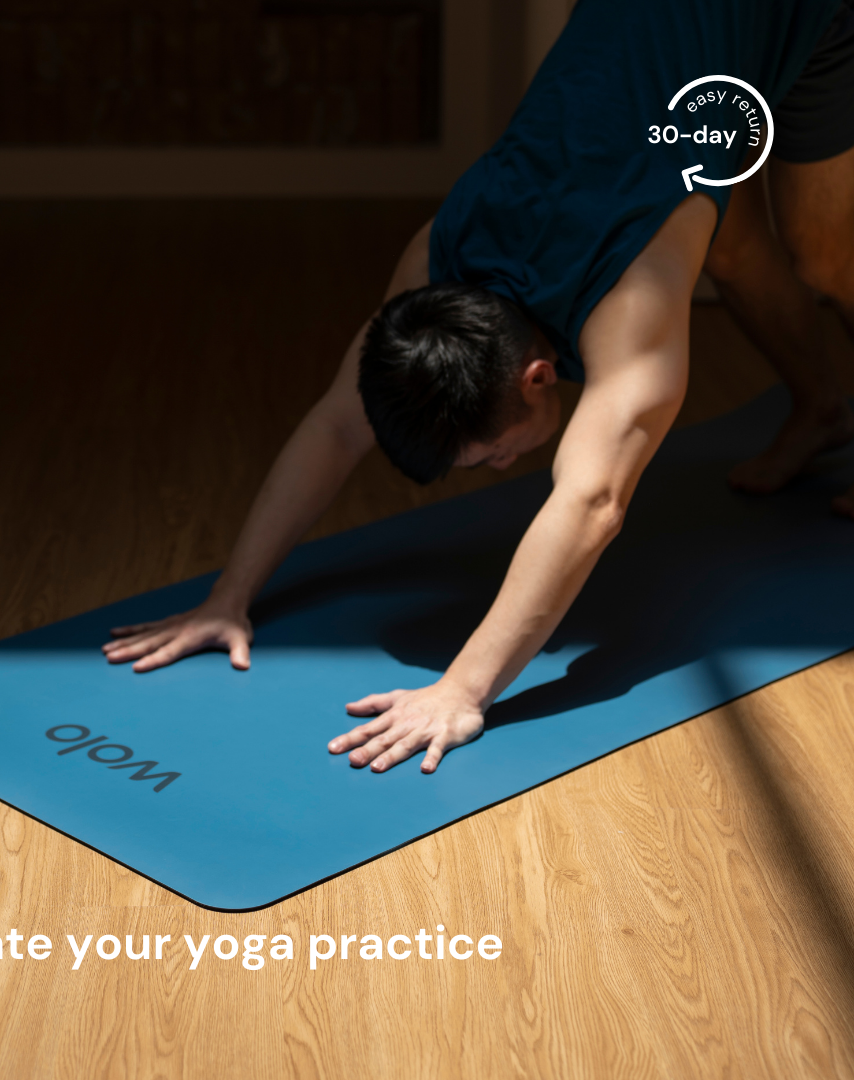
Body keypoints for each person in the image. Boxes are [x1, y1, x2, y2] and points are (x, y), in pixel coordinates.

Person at [104, 0, 854, 774]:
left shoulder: (633, 305)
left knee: (823, 259)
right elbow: (337, 422)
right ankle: (822, 410)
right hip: (675, 78)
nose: (500, 469)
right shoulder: (437, 260)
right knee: (726, 244)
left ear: (539, 377)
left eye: (488, 455)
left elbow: (591, 504)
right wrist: (228, 598)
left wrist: (462, 691)